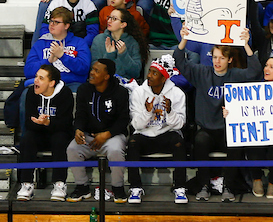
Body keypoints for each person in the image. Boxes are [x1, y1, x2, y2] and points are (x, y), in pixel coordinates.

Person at [174, 24, 259, 201]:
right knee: (200, 140)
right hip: (206, 129)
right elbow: (180, 61)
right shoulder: (201, 72)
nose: (217, 61)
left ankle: (228, 186)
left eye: (221, 58)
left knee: (236, 141)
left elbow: (255, 71)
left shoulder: (235, 75)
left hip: (227, 129)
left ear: (229, 60)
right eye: (214, 57)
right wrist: (184, 40)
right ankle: (204, 185)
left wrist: (245, 44)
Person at [64, 58, 130, 202]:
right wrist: (78, 129)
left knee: (115, 150)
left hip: (113, 135)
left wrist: (106, 134)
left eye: (96, 71)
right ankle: (82, 187)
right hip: (89, 136)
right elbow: (80, 114)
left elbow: (123, 120)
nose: (91, 73)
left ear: (107, 76)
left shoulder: (120, 92)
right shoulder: (84, 89)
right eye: (92, 69)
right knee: (72, 149)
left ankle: (118, 188)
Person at [125, 58, 187, 203]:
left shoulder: (177, 94)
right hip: (144, 134)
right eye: (149, 72)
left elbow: (179, 125)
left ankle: (180, 187)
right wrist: (147, 112)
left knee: (179, 142)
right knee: (133, 142)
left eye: (154, 73)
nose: (149, 76)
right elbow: (136, 125)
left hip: (167, 133)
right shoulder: (138, 92)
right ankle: (135, 187)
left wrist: (170, 111)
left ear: (164, 77)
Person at [16, 64, 74, 202]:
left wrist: (48, 123)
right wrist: (39, 123)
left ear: (51, 83)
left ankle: (59, 184)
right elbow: (28, 123)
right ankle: (26, 184)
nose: (36, 80)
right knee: (27, 138)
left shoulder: (65, 94)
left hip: (59, 132)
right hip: (38, 132)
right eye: (36, 76)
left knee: (59, 139)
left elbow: (66, 125)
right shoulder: (31, 93)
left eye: (41, 78)